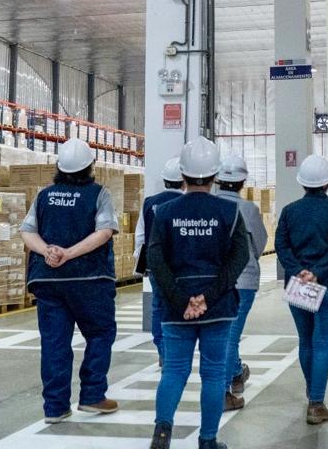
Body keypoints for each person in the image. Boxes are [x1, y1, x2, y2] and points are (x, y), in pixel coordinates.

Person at [147, 137, 250, 449]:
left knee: (174, 371)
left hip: (176, 309)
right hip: (217, 309)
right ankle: (208, 441)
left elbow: (155, 260)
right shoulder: (229, 212)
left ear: (183, 174)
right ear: (215, 174)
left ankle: (162, 433)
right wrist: (209, 297)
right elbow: (239, 257)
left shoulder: (164, 212)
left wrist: (181, 300)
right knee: (214, 374)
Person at [19, 138, 120, 424]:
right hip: (89, 279)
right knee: (100, 334)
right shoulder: (99, 195)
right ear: (90, 166)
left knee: (55, 342)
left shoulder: (44, 196)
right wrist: (69, 253)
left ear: (59, 167)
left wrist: (47, 251)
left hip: (48, 280)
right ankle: (92, 395)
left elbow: (27, 231)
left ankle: (55, 407)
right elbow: (104, 232)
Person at [275, 154, 328, 425]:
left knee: (306, 340)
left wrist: (299, 272)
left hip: (298, 285)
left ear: (302, 183)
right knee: (322, 343)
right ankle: (316, 404)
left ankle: (312, 391)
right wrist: (317, 272)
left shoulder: (289, 211)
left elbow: (281, 246)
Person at [214, 154, 269, 412]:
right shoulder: (248, 209)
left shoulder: (210, 207)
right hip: (243, 280)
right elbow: (260, 242)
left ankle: (236, 373)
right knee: (231, 337)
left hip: (214, 282)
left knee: (223, 335)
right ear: (242, 182)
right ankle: (224, 392)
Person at [133, 156, 184, 361]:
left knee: (158, 306)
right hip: (180, 267)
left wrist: (141, 262)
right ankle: (176, 348)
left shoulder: (149, 203)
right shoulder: (186, 203)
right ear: (184, 180)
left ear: (164, 180)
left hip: (155, 265)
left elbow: (140, 235)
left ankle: (162, 349)